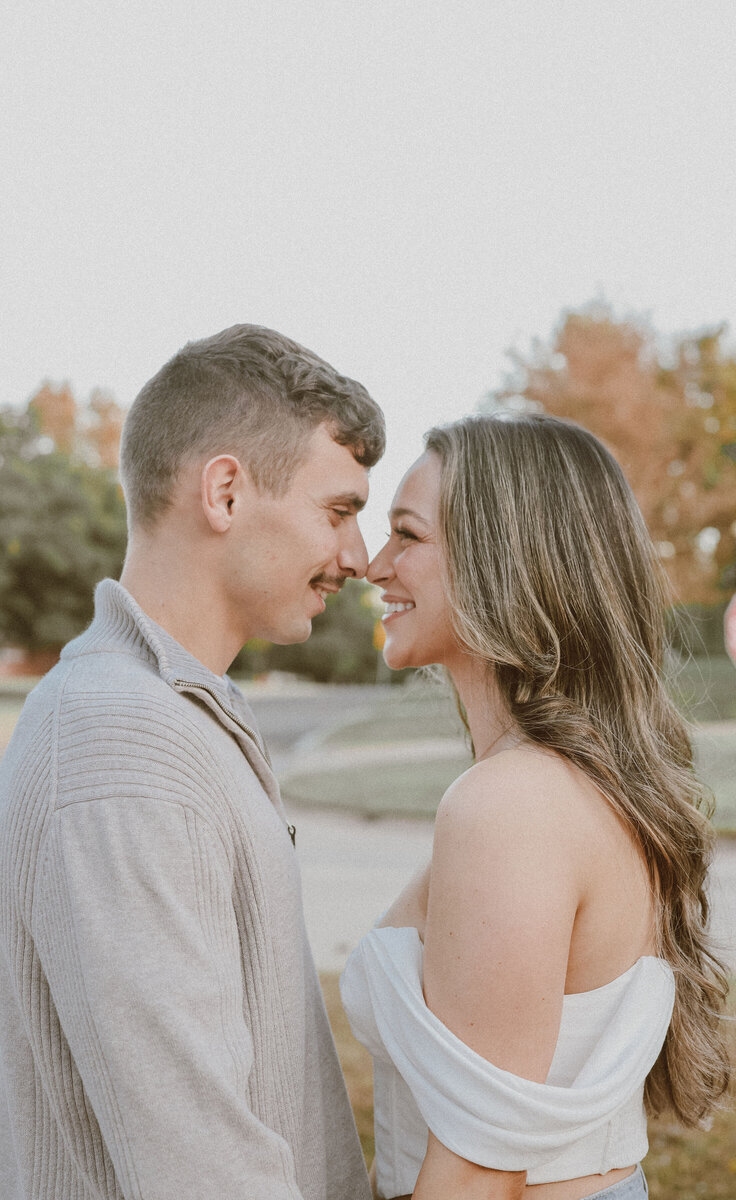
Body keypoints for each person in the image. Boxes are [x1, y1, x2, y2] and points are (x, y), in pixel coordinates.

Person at [0, 324, 384, 1200]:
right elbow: (198, 1165)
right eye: (339, 512)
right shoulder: (119, 743)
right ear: (224, 492)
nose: (356, 560)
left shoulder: (178, 713)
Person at [340, 413, 730, 1200]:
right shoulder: (576, 781)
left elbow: (480, 1171)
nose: (375, 566)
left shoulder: (510, 805)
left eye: (407, 536)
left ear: (499, 562)